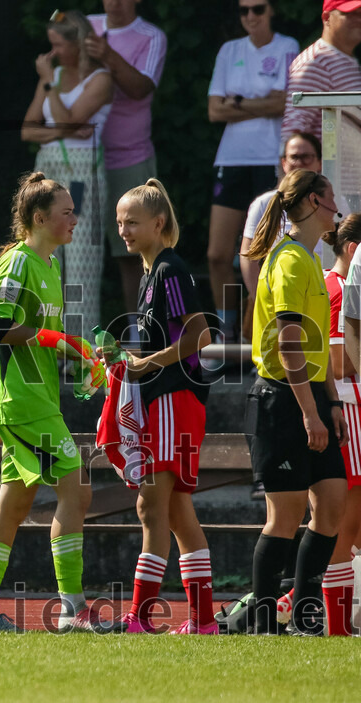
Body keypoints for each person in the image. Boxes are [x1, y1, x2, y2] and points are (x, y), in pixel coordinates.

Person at [0, 173, 107, 633]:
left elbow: (39, 340)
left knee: (14, 504)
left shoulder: (49, 266)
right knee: (77, 490)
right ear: (39, 218)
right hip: (22, 403)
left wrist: (79, 358)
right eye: (66, 212)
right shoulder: (18, 262)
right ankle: (72, 609)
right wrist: (56, 339)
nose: (74, 220)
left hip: (34, 400)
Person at [103, 180, 217, 635]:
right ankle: (202, 621)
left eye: (131, 222)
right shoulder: (152, 272)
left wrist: (148, 361)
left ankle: (140, 617)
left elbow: (198, 335)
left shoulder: (170, 269)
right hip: (163, 401)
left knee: (152, 507)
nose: (124, 230)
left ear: (158, 222)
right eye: (119, 223)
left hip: (174, 400)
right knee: (173, 513)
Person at [244, 169, 347, 635]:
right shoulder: (286, 260)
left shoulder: (307, 258)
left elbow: (318, 345)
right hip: (282, 401)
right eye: (329, 203)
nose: (335, 212)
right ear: (309, 202)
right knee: (283, 517)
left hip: (310, 398)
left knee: (331, 505)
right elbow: (289, 346)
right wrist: (310, 413)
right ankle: (266, 624)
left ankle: (305, 616)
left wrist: (332, 403)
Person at [206, 0, 298, 351]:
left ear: (272, 9)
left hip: (270, 159)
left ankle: (263, 329)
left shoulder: (287, 46)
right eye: (243, 10)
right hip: (231, 158)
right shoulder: (230, 50)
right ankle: (226, 332)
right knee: (217, 254)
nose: (250, 17)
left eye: (257, 9)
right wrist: (258, 101)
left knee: (267, 251)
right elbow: (214, 110)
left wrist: (238, 103)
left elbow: (283, 103)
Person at [22, 9, 112, 341]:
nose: (52, 53)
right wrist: (63, 130)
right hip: (48, 169)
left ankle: (83, 348)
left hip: (81, 173)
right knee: (43, 251)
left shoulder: (99, 79)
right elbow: (28, 130)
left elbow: (67, 118)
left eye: (58, 45)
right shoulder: (54, 76)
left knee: (81, 262)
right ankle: (48, 341)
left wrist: (50, 87)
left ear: (78, 44)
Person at [86, 0, 167, 332]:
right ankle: (72, 341)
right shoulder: (85, 25)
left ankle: (141, 335)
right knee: (72, 250)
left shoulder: (151, 36)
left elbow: (139, 88)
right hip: (79, 162)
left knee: (134, 251)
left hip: (130, 160)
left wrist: (106, 55)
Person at [240, 132, 323, 344]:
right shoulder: (263, 203)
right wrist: (262, 298)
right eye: (294, 157)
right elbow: (248, 255)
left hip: (321, 298)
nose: (300, 162)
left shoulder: (333, 198)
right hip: (277, 299)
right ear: (284, 163)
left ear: (320, 162)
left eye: (307, 156)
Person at [323, 214, 361, 636]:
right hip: (348, 413)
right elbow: (337, 363)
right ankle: (336, 626)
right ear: (353, 249)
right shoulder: (338, 289)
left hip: (353, 411)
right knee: (345, 522)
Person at [281, 0, 361, 142]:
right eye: (349, 14)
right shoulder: (315, 62)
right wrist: (298, 163)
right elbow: (294, 130)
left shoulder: (346, 58)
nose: (358, 19)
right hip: (329, 163)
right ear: (326, 18)